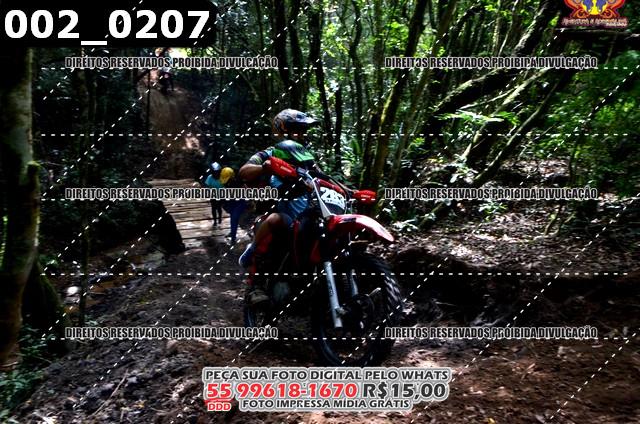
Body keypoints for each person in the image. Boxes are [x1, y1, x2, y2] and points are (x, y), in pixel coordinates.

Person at [238, 109, 321, 305]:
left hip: (305, 213)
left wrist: (349, 191)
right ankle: (255, 283)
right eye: (297, 130)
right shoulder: (270, 152)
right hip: (276, 211)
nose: (302, 135)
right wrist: (265, 166)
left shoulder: (308, 159)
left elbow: (323, 177)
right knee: (275, 220)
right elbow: (244, 171)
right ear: (284, 131)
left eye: (304, 130)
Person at [219, 167, 247, 244]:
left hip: (240, 202)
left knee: (234, 218)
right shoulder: (226, 183)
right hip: (232, 202)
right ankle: (232, 232)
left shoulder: (238, 181)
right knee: (233, 218)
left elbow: (245, 189)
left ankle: (233, 239)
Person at [204, 162, 223, 227]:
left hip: (220, 195)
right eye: (215, 172)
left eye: (217, 172)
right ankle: (215, 221)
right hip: (213, 194)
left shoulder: (222, 177)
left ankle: (219, 218)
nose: (216, 173)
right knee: (213, 208)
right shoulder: (210, 177)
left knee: (219, 207)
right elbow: (207, 185)